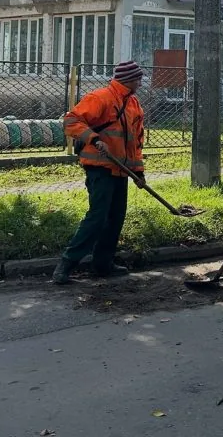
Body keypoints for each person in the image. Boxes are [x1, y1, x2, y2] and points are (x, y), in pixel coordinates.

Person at [52, 61, 146, 285]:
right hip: (100, 168)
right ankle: (66, 265)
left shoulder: (133, 103)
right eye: (138, 79)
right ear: (128, 79)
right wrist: (93, 138)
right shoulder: (100, 98)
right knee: (98, 217)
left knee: (115, 218)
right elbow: (71, 121)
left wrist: (138, 172)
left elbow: (136, 143)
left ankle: (102, 264)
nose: (141, 82)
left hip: (121, 170)